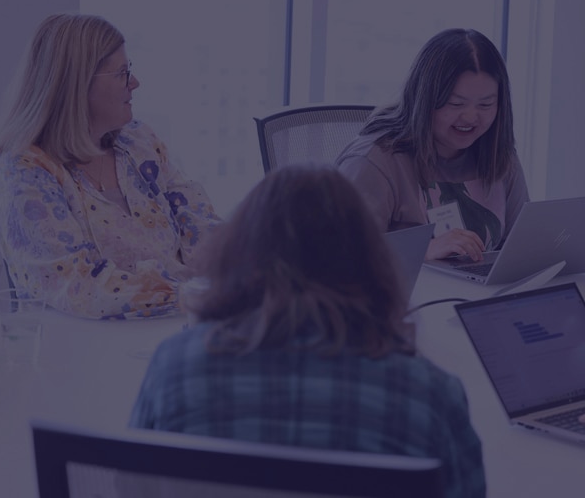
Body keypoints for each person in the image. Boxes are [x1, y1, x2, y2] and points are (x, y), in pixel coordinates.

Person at [129, 165, 485, 498]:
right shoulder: (429, 395)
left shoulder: (174, 371)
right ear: (370, 263)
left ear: (238, 254)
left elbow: (134, 488)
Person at [0, 13, 220, 320]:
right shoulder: (25, 173)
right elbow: (80, 286)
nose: (135, 83)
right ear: (77, 86)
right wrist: (193, 295)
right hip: (85, 348)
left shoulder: (138, 141)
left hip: (172, 326)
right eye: (122, 73)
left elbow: (198, 222)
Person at [336, 27, 528, 261]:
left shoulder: (499, 154)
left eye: (486, 105)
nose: (470, 118)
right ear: (424, 99)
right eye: (455, 104)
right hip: (402, 296)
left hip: (479, 295)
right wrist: (423, 252)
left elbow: (521, 245)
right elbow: (338, 256)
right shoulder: (375, 161)